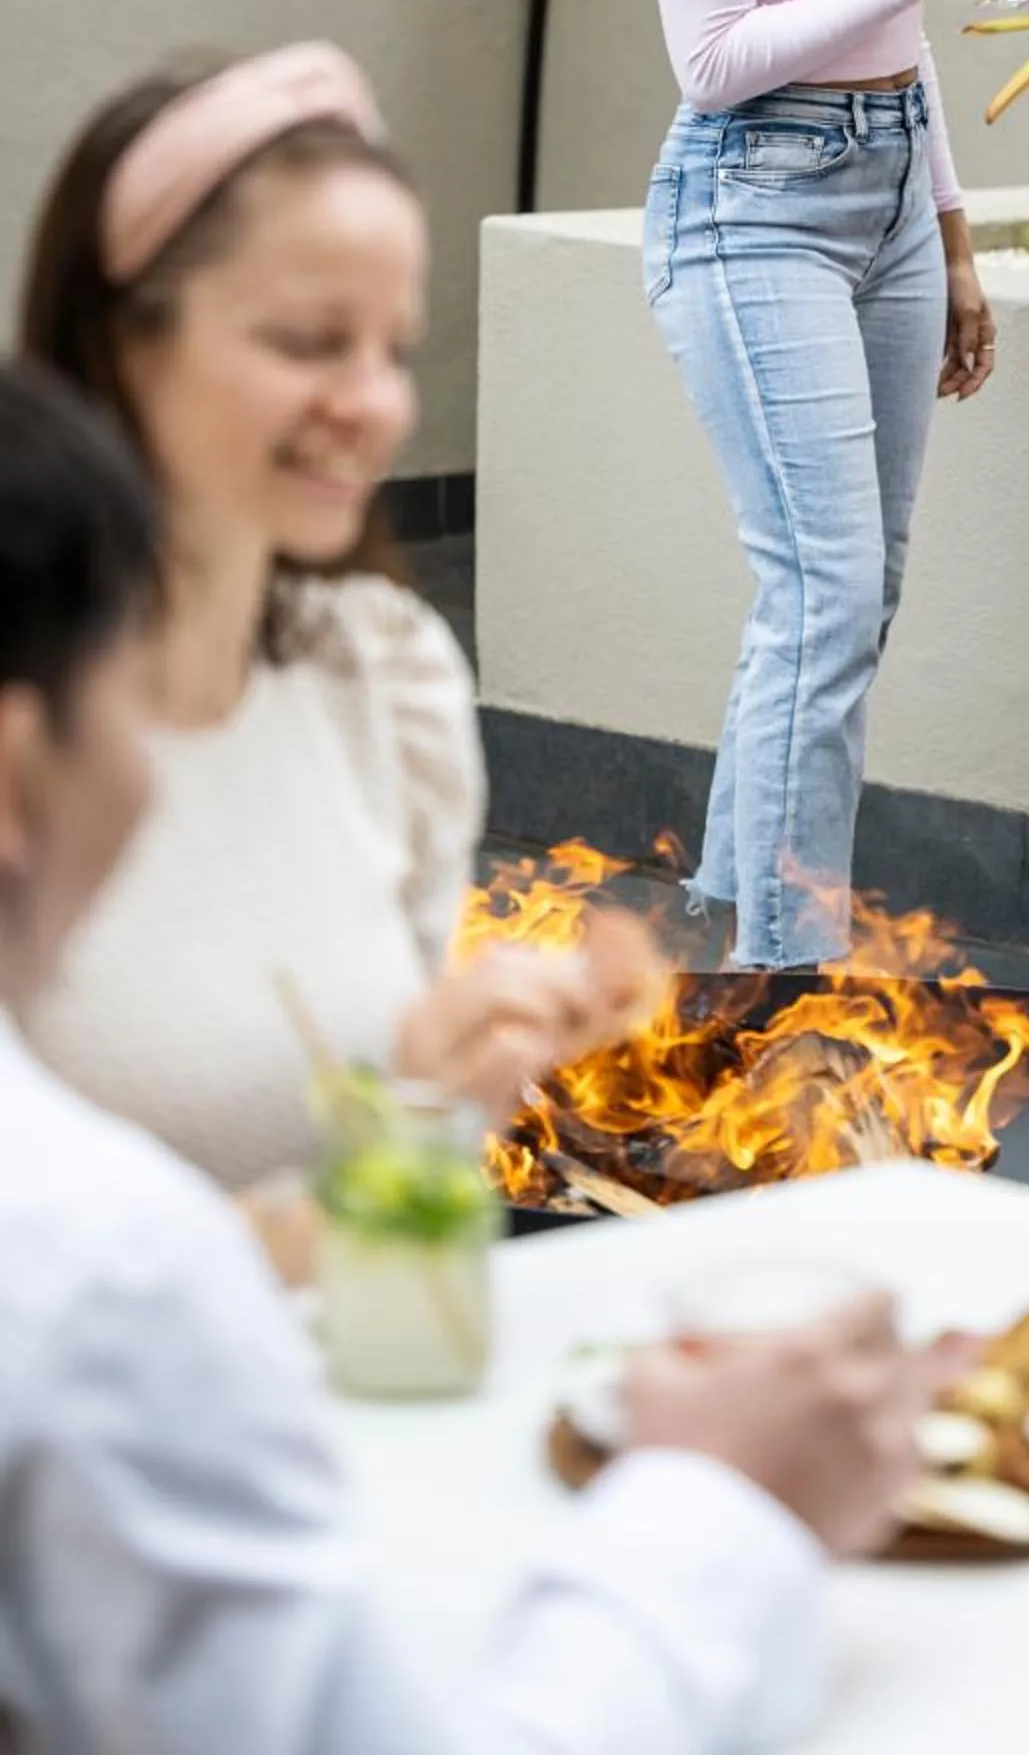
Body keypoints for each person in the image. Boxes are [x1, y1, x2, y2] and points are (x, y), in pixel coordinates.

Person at [0, 355, 954, 1755]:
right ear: (24, 777)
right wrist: (722, 1495)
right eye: (133, 703)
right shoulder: (99, 1270)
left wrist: (411, 1128)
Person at [16, 44, 646, 1198]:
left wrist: (445, 1082)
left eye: (393, 351)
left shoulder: (380, 676)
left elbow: (379, 1194)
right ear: (121, 340)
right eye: (309, 342)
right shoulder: (27, 724)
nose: (371, 405)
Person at [645, 0, 1029, 969]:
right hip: (757, 208)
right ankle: (792, 975)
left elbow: (900, 45)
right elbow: (712, 59)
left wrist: (950, 234)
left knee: (847, 600)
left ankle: (737, 936)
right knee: (824, 589)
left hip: (881, 205)